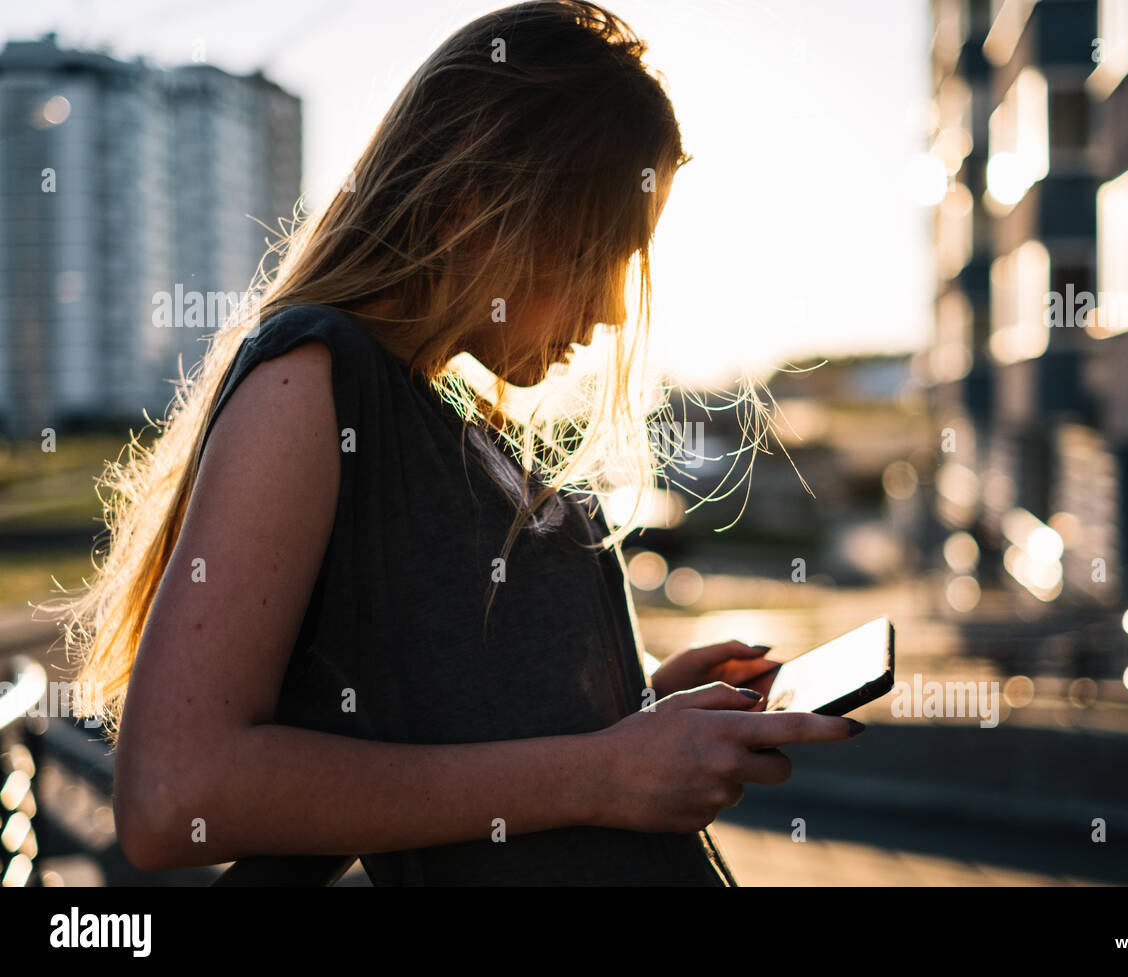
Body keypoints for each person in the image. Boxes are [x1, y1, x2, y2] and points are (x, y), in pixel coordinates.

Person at [56, 0, 862, 886]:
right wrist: (605, 770)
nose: (613, 310)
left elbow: (449, 717)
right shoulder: (314, 380)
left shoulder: (461, 416)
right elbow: (175, 795)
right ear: (476, 209)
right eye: (600, 254)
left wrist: (641, 711)